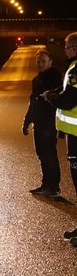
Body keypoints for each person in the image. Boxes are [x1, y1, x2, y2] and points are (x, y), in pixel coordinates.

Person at [42, 32, 77, 247]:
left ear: (74, 48)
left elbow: (68, 100)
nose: (64, 51)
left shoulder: (75, 70)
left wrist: (51, 97)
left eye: (66, 47)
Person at [22, 49, 62, 197]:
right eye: (38, 62)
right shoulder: (37, 80)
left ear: (50, 62)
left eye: (43, 61)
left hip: (48, 123)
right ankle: (48, 185)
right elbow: (33, 102)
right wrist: (27, 121)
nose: (40, 64)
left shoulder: (54, 79)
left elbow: (55, 100)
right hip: (39, 123)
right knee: (43, 154)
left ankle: (52, 187)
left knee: (48, 154)